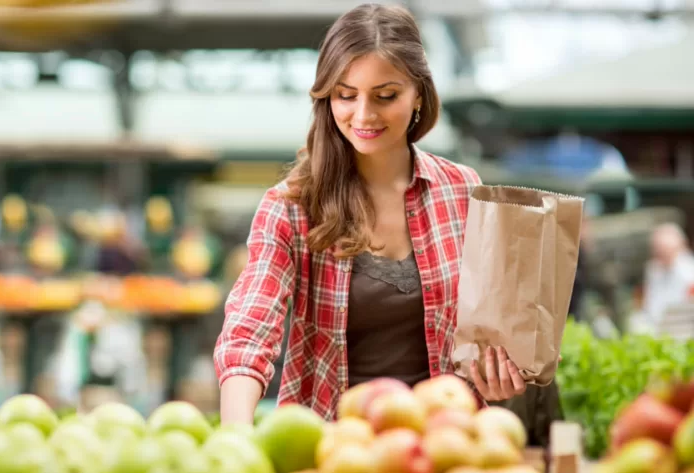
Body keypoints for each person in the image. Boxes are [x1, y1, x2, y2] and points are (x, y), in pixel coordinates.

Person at [213, 4, 526, 424]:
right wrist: (236, 431)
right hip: (333, 447)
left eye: (385, 96)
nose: (363, 115)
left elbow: (495, 328)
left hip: (444, 444)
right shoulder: (291, 205)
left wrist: (501, 373)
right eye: (346, 95)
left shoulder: (462, 191)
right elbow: (251, 324)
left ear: (418, 93)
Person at [641, 222, 694, 327]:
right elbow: (649, 304)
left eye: (664, 249)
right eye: (657, 249)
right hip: (656, 326)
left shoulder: (689, 270)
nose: (659, 253)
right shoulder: (653, 269)